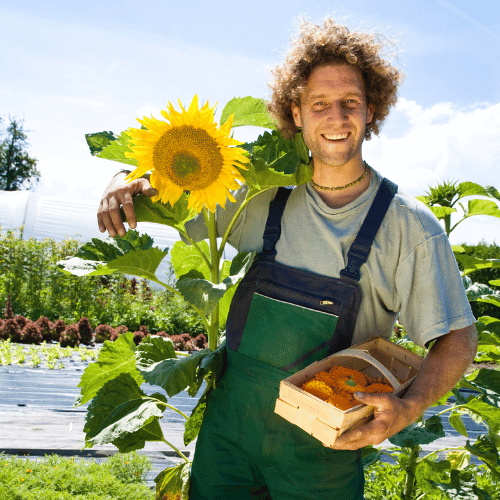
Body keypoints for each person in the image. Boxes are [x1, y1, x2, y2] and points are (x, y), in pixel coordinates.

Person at [97, 18, 477, 500]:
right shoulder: (261, 197)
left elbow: (457, 337)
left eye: (350, 103)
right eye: (319, 104)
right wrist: (121, 178)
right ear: (296, 113)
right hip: (228, 442)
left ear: (372, 110)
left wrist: (411, 406)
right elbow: (160, 189)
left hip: (323, 456)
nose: (336, 118)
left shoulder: (409, 227)